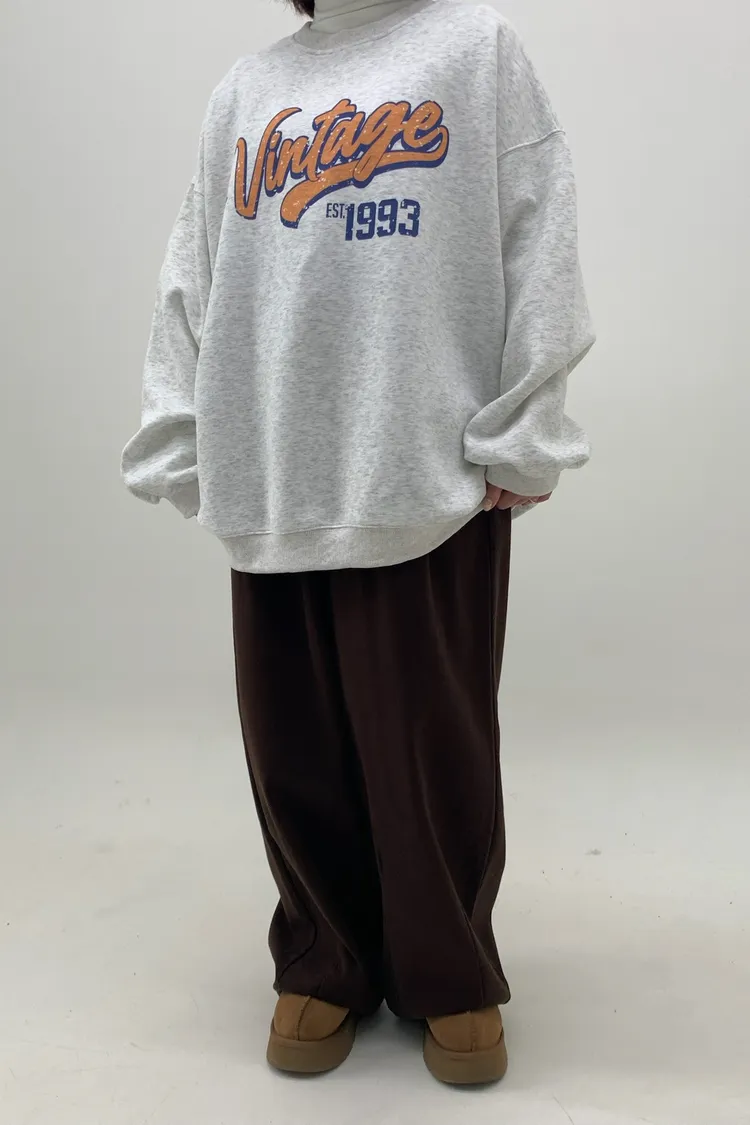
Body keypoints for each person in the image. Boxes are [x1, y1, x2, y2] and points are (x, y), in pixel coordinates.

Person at [121, 0, 594, 1086]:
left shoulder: (473, 49)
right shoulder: (247, 88)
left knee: (430, 741)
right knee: (293, 738)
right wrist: (182, 431)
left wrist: (524, 427)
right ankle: (324, 956)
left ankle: (448, 964)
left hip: (423, 466)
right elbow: (193, 270)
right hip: (273, 461)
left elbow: (538, 225)